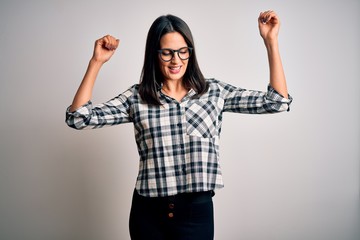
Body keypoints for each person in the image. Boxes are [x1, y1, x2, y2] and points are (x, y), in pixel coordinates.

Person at [66, 10, 292, 240]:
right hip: (148, 215)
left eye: (183, 52)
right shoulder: (137, 98)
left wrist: (270, 42)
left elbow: (277, 103)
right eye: (167, 53)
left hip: (196, 214)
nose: (176, 60)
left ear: (190, 53)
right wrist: (96, 62)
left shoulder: (214, 93)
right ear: (154, 54)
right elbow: (78, 118)